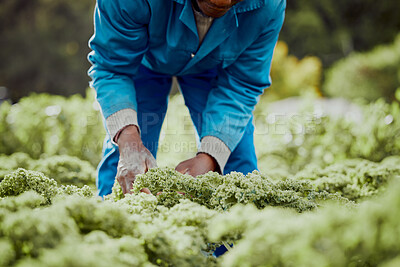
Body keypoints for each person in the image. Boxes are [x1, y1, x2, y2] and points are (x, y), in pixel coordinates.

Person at [88, 0, 286, 197]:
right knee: (130, 162)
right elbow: (112, 67)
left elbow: (242, 83)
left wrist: (211, 156)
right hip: (141, 60)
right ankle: (113, 214)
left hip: (211, 64)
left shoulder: (269, 5)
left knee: (235, 163)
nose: (222, 1)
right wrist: (128, 137)